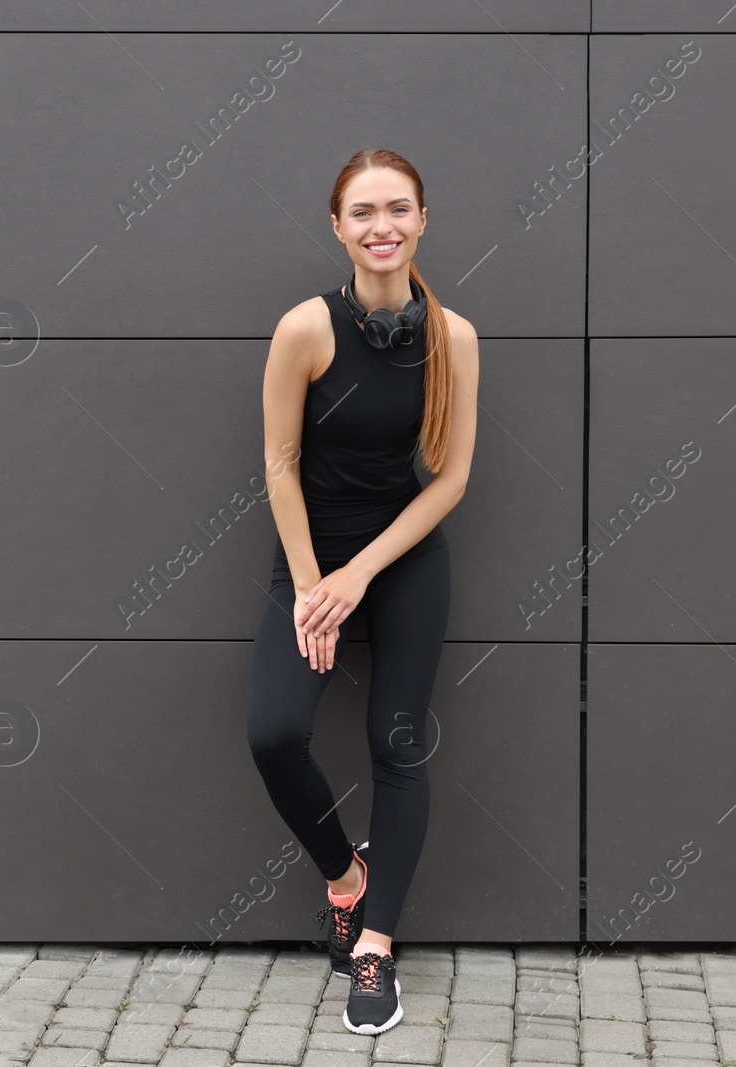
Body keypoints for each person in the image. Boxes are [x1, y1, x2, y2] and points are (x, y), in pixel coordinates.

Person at [245, 148, 479, 1036]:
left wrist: (360, 574)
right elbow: (279, 461)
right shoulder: (304, 328)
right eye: (363, 212)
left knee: (398, 743)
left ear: (423, 220)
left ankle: (374, 947)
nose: (383, 226)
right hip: (311, 558)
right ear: (337, 226)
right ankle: (347, 877)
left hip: (403, 557)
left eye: (400, 209)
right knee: (274, 732)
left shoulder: (452, 336)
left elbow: (450, 480)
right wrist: (314, 585)